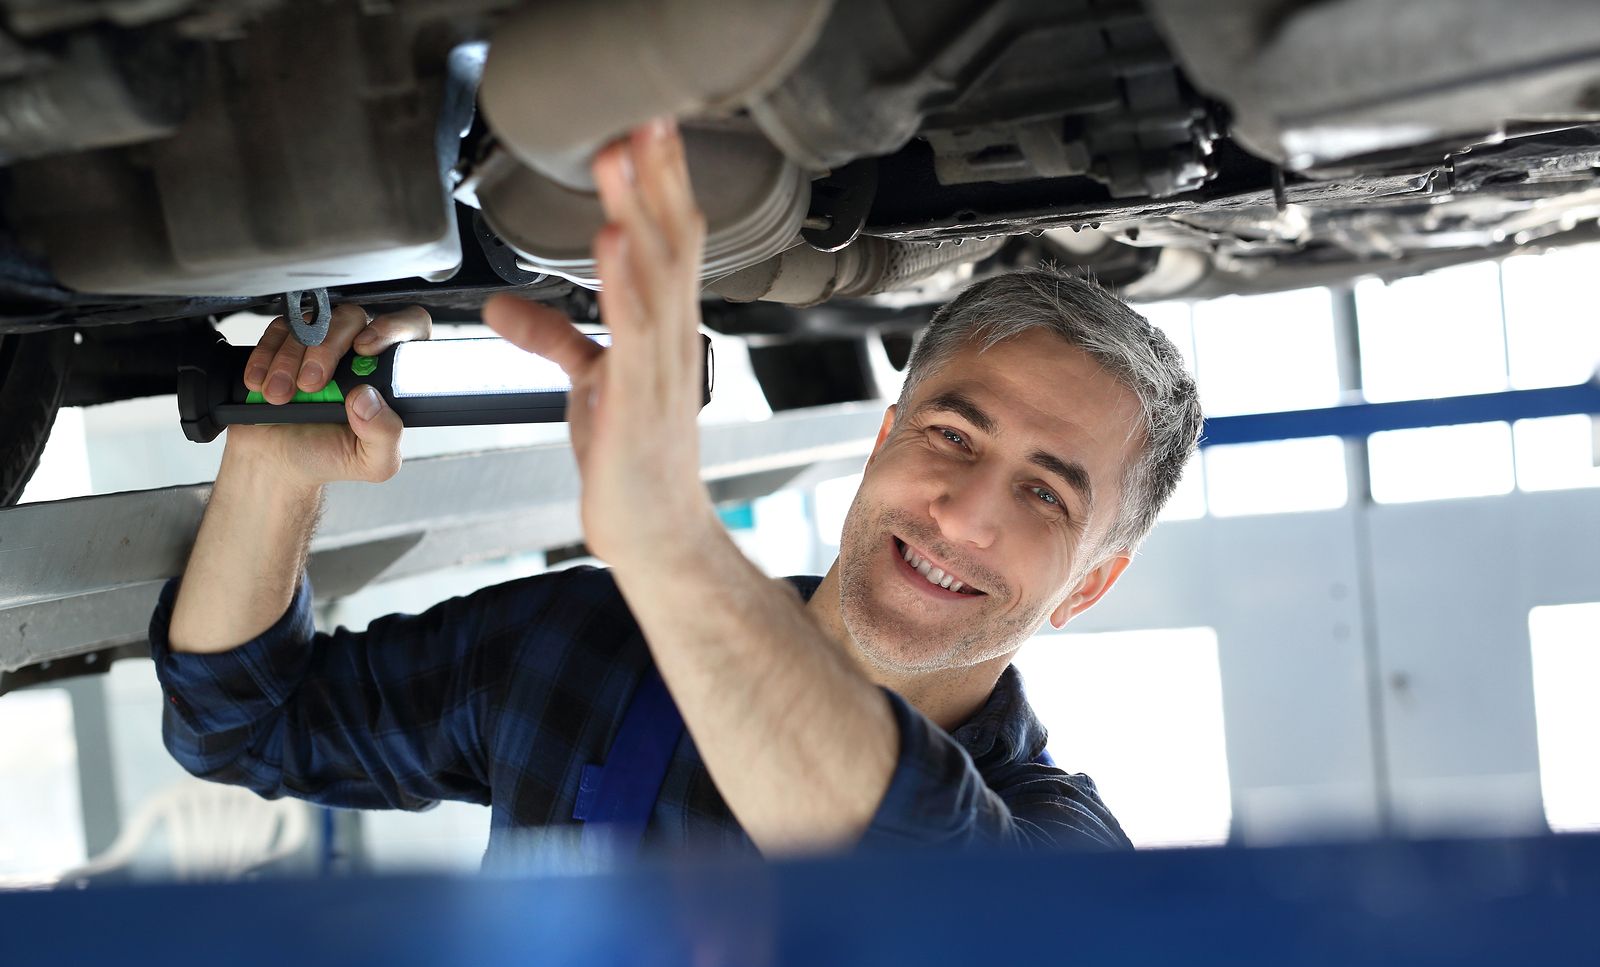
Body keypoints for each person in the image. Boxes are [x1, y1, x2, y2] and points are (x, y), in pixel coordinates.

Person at [150, 117, 1202, 858]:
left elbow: (921, 873)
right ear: (885, 439)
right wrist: (275, 465)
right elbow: (243, 724)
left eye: (1046, 496)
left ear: (1088, 584)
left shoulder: (1062, 852)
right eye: (952, 434)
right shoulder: (588, 647)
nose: (965, 513)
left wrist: (669, 541)